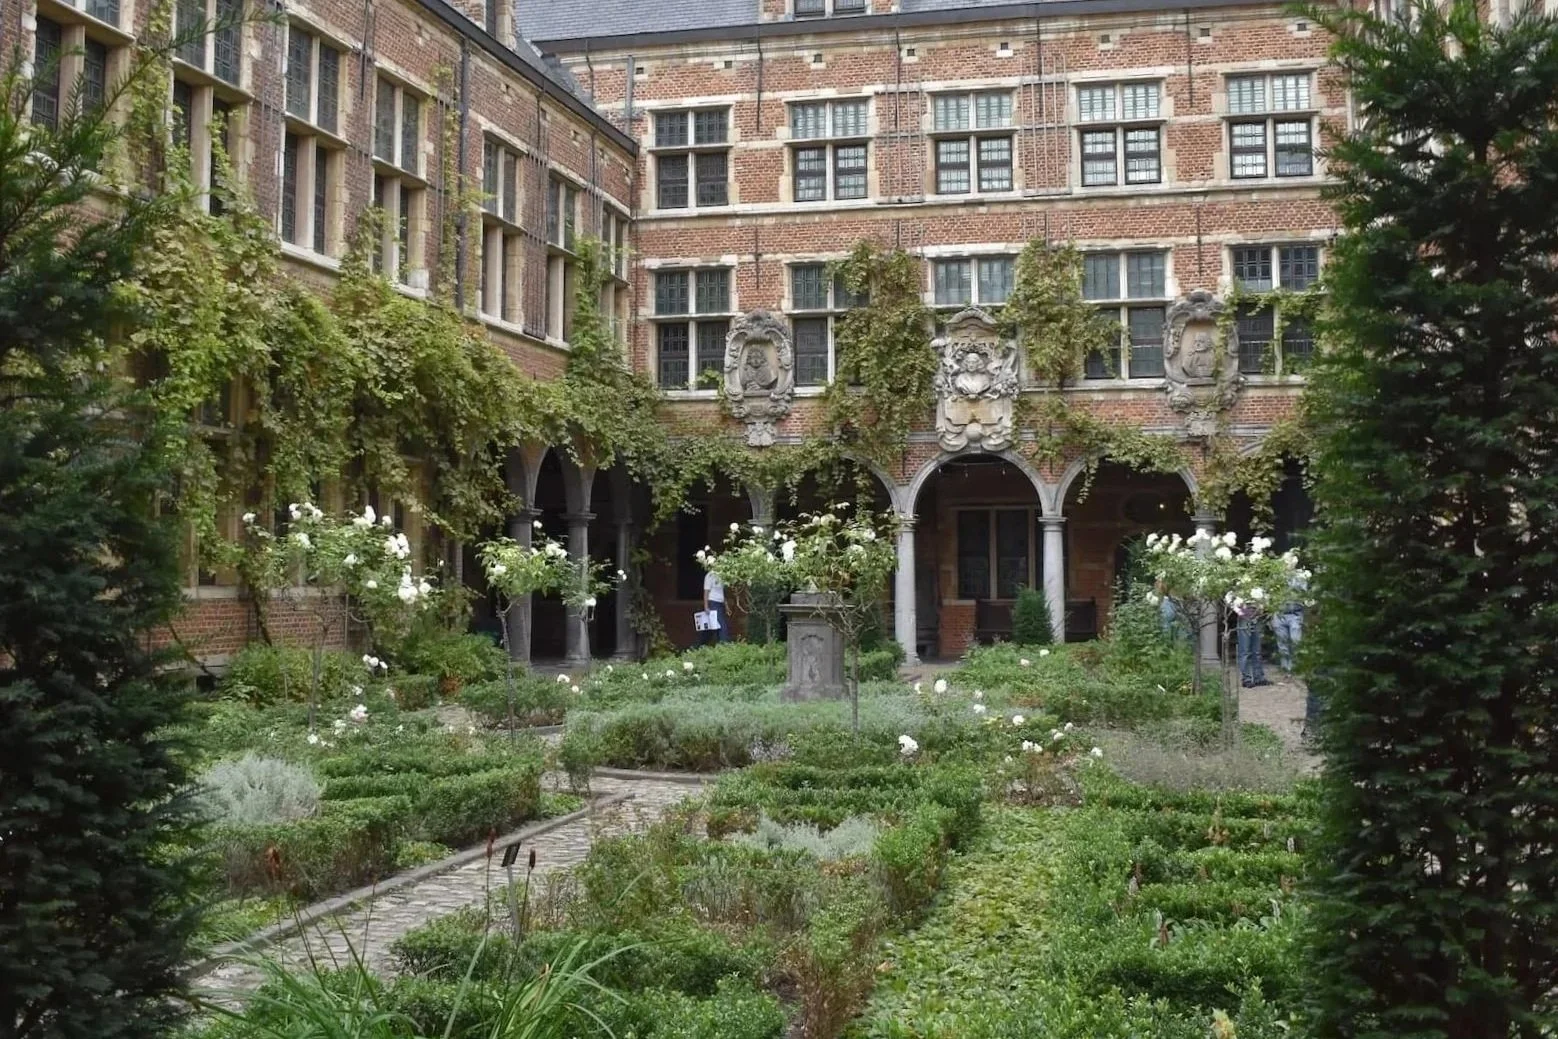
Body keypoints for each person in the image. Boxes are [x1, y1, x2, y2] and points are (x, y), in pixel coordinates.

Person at [1270, 570, 1307, 672]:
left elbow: (1304, 593)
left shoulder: (1300, 577)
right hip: (1279, 614)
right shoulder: (1276, 577)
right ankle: (1286, 669)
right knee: (1282, 643)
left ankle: (1295, 667)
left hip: (1295, 614)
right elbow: (1270, 594)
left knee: (1296, 641)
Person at [1235, 602, 1269, 688]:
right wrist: (1240, 612)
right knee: (1244, 650)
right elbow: (1230, 598)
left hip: (1257, 614)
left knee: (1257, 650)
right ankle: (1246, 679)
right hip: (1244, 614)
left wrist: (1261, 608)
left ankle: (1259, 677)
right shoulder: (1239, 589)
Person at [702, 565, 729, 645]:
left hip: (720, 603)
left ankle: (700, 645)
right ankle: (724, 646)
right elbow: (706, 592)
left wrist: (726, 606)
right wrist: (706, 607)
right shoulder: (709, 576)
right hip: (713, 602)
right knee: (722, 626)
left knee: (714, 627)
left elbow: (722, 593)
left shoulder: (721, 576)